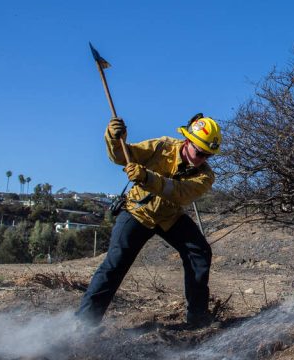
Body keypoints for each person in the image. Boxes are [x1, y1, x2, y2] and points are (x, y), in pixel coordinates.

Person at [76, 113, 221, 327]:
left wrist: (147, 178)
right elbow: (121, 156)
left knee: (199, 252)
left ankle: (197, 318)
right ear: (188, 141)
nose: (202, 159)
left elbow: (180, 193)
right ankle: (84, 323)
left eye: (208, 156)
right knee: (116, 263)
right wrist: (115, 139)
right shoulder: (161, 146)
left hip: (170, 217)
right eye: (200, 152)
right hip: (138, 211)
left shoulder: (206, 176)